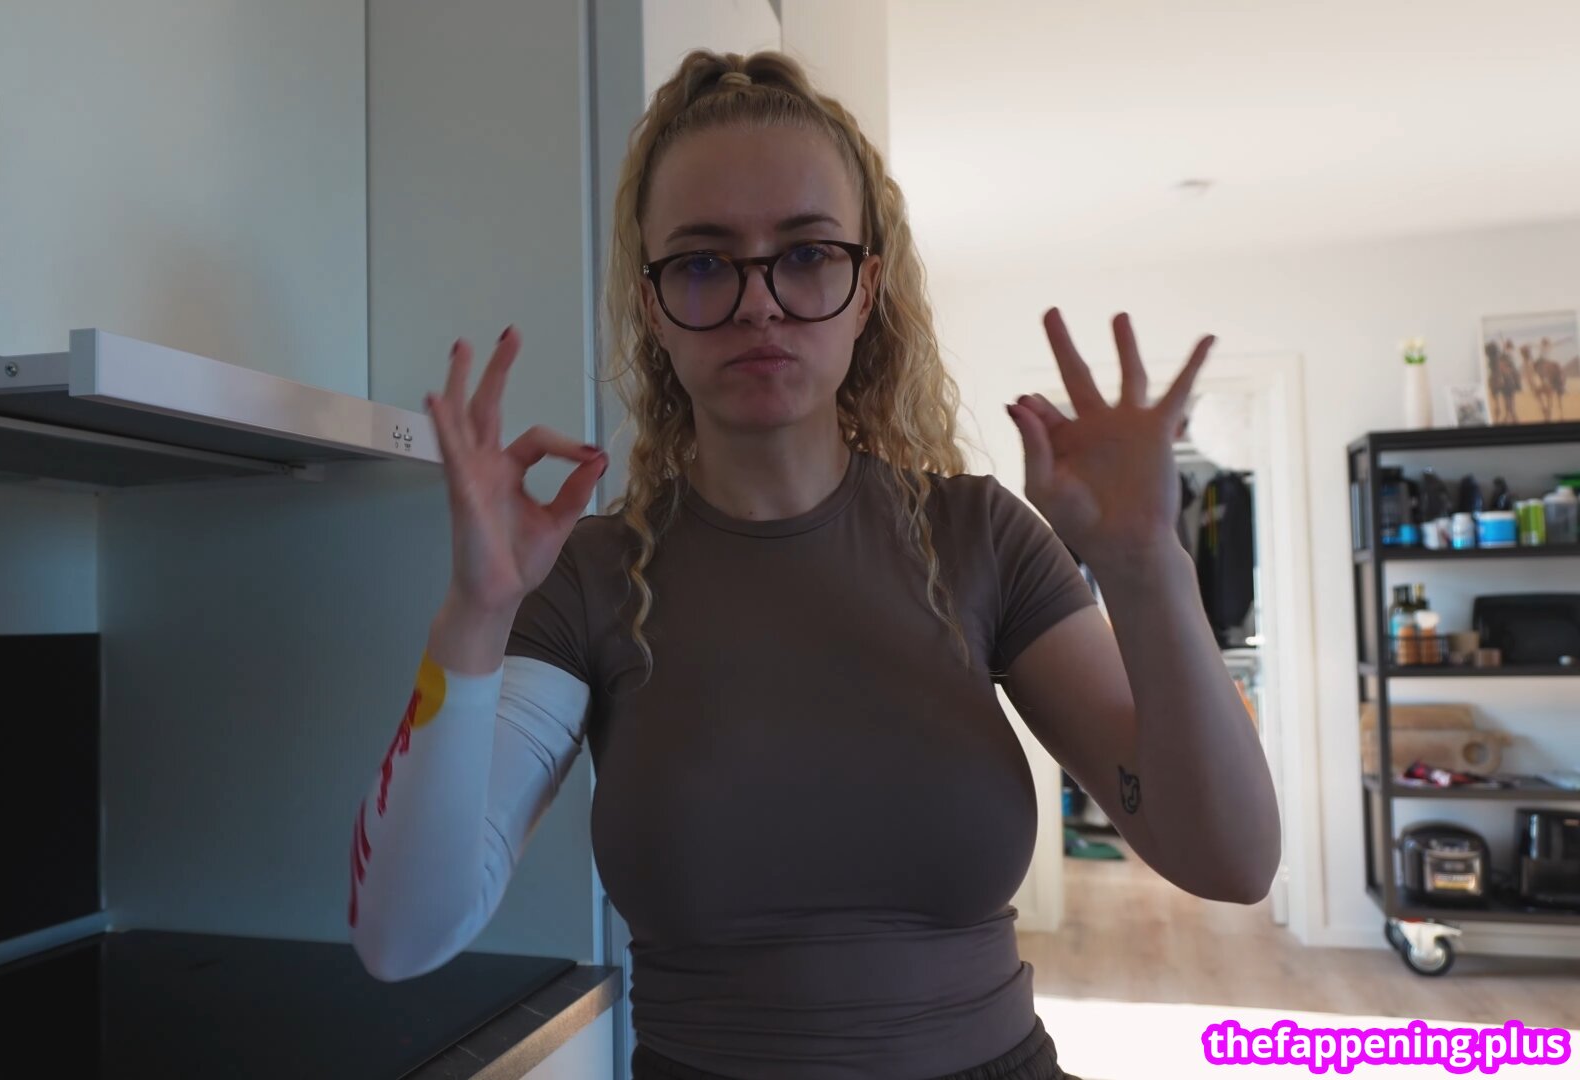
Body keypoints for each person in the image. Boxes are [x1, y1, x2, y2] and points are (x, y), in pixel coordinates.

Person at [347, 49, 1280, 1080]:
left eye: (805, 254)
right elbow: (401, 936)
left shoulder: (982, 536)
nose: (760, 303)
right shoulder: (589, 577)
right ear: (653, 306)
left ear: (865, 284)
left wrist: (1147, 567)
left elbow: (1230, 860)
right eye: (703, 263)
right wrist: (475, 613)